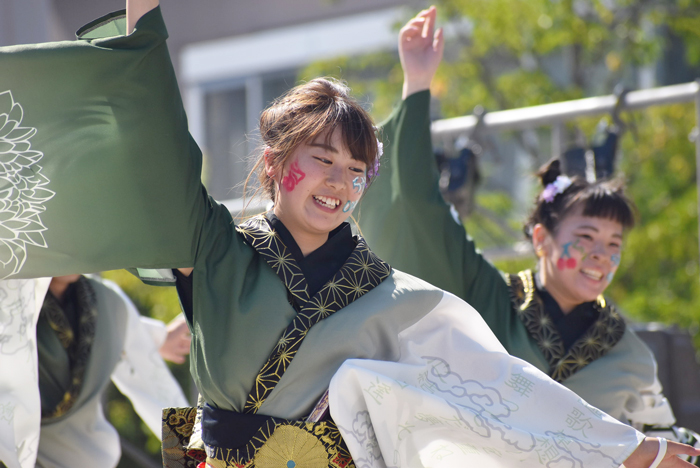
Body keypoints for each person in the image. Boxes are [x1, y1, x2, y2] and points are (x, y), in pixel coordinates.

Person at [0, 1, 698, 467]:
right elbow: (159, 146)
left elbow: (497, 383)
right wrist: (145, 18)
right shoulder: (217, 249)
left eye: (357, 170)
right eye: (323, 161)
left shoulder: (394, 293)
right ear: (276, 166)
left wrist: (625, 447)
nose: (340, 183)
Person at [357, 3, 698, 453]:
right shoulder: (489, 301)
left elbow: (662, 444)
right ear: (541, 239)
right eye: (586, 238)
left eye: (614, 243)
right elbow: (423, 214)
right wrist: (418, 84)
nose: (602, 254)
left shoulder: (630, 355)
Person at [0, 275, 189, 468]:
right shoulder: (9, 297)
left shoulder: (108, 300)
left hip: (91, 456)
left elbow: (157, 387)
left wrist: (193, 458)